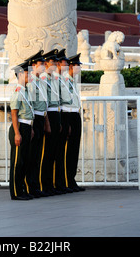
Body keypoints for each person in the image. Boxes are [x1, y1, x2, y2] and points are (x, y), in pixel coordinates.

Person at [25, 50, 51, 198]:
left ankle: (36, 185)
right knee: (32, 155)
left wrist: (46, 122)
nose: (43, 66)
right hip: (33, 120)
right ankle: (31, 186)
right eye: (41, 64)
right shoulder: (30, 84)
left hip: (41, 118)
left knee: (38, 155)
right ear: (34, 65)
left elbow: (44, 104)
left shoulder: (41, 82)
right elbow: (30, 105)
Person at [8, 60, 34, 200]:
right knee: (17, 162)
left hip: (26, 127)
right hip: (19, 128)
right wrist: (17, 133)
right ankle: (16, 192)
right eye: (28, 73)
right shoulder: (18, 91)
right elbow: (14, 113)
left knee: (24, 161)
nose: (30, 76)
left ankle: (22, 189)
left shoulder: (25, 91)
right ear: (20, 75)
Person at [39, 49, 62, 196]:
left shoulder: (53, 79)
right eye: (53, 62)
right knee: (45, 153)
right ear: (46, 63)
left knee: (53, 152)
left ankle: (51, 184)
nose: (55, 64)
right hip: (47, 115)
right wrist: (47, 122)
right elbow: (44, 103)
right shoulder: (42, 79)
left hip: (55, 114)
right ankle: (43, 184)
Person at [62, 53, 85, 192]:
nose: (79, 68)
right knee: (68, 151)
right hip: (68, 116)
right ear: (71, 66)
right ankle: (66, 180)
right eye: (77, 65)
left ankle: (71, 179)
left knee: (74, 149)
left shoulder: (72, 81)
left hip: (75, 115)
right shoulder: (64, 81)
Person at [54, 48, 72, 194]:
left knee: (60, 153)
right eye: (65, 62)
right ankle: (54, 184)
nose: (67, 65)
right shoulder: (53, 79)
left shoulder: (61, 79)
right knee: (55, 153)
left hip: (62, 115)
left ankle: (61, 183)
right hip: (56, 116)